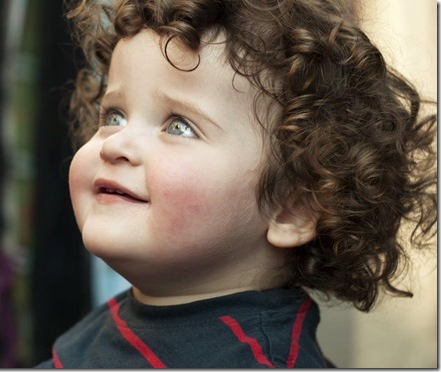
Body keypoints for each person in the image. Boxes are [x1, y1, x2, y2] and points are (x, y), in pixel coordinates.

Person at [37, 0, 437, 368]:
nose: (117, 143)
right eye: (114, 116)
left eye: (179, 125)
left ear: (291, 206)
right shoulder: (123, 318)